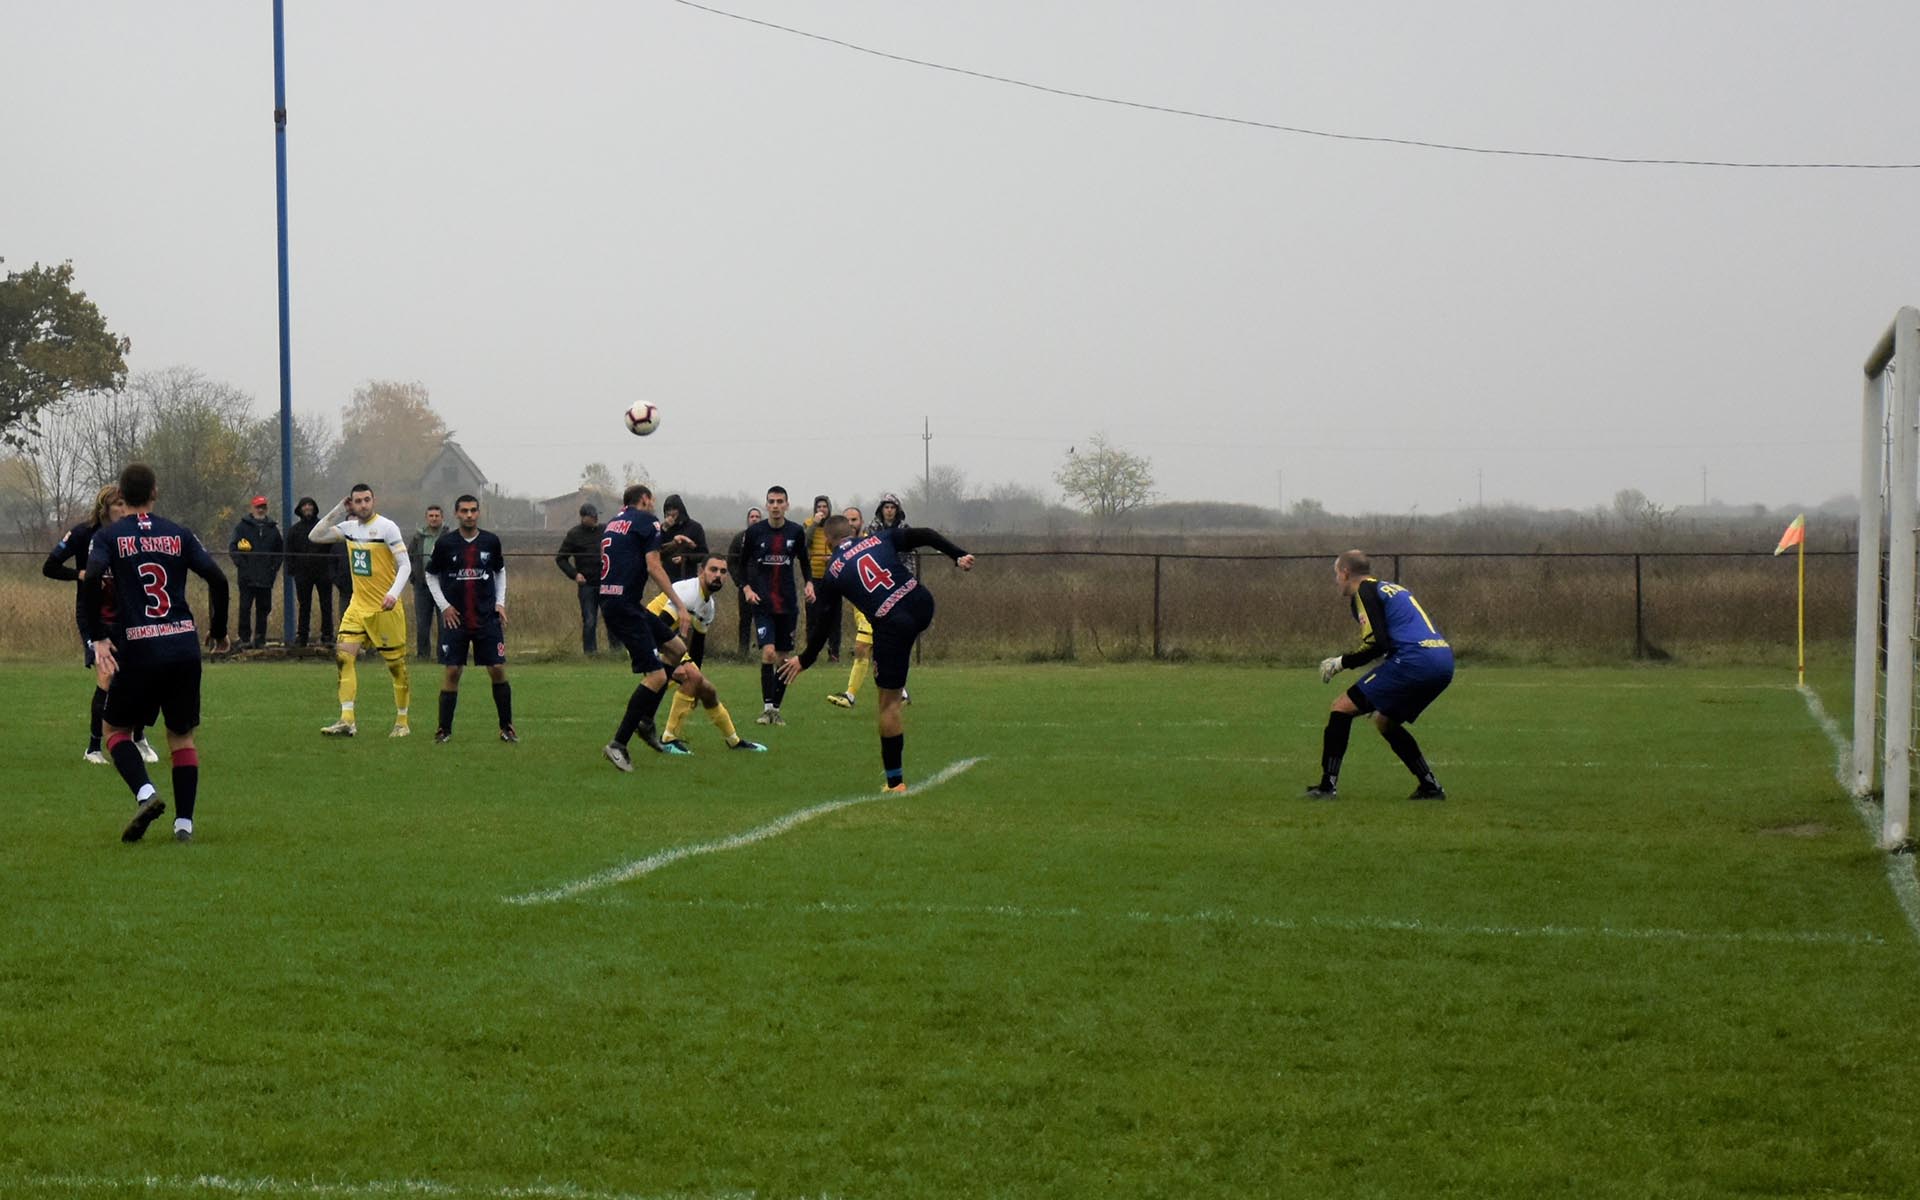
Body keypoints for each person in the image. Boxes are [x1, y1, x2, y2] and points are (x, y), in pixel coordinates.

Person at [82, 462, 231, 843]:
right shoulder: (179, 533)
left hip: (139, 647)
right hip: (182, 646)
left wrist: (98, 637)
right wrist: (218, 631)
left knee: (114, 730)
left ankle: (146, 793)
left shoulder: (109, 536)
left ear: (121, 494)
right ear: (154, 492)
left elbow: (92, 576)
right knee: (181, 737)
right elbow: (218, 579)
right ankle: (184, 825)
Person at [779, 513, 973, 791]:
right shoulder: (879, 538)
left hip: (893, 624)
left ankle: (895, 783)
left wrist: (805, 659)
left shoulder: (833, 571)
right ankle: (900, 676)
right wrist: (958, 554)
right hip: (921, 602)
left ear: (828, 541)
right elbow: (926, 533)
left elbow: (824, 624)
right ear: (852, 531)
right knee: (893, 652)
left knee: (888, 703)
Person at [1308, 550, 1454, 801]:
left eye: (1336, 574)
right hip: (1442, 660)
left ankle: (1327, 787)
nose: (1336, 581)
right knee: (1385, 721)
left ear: (1346, 573)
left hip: (1414, 660)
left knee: (1341, 707)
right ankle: (1430, 786)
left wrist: (1341, 662)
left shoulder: (1363, 592)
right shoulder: (1392, 588)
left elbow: (1377, 644)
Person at [43, 485, 156, 764]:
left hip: (127, 615)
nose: (123, 509)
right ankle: (93, 748)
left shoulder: (132, 534)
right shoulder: (83, 534)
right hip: (95, 616)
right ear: (104, 508)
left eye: (125, 503)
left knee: (138, 676)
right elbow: (50, 566)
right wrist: (81, 574)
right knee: (107, 677)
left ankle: (138, 737)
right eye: (118, 504)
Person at [598, 483, 692, 770]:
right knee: (656, 676)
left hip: (616, 601)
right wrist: (680, 605)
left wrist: (671, 545)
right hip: (624, 606)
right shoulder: (648, 521)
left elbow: (640, 552)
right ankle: (618, 744)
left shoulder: (615, 522)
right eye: (652, 501)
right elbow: (653, 566)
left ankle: (646, 721)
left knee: (676, 649)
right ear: (645, 499)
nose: (654, 506)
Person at [309, 483, 414, 737]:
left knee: (395, 666)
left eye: (367, 499)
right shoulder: (349, 529)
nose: (363, 504)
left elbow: (405, 565)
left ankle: (402, 722)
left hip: (384, 609)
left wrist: (393, 594)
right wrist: (338, 509)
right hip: (357, 607)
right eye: (358, 501)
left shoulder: (387, 527)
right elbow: (315, 535)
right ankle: (347, 720)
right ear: (352, 504)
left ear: (373, 501)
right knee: (343, 657)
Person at [649, 553, 766, 754]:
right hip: (647, 639)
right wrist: (656, 660)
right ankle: (668, 738)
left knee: (708, 690)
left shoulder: (708, 606)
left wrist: (696, 680)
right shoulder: (689, 592)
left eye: (723, 571)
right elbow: (660, 626)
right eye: (713, 570)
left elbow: (697, 647)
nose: (718, 575)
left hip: (663, 642)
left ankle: (734, 741)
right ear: (701, 572)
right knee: (691, 679)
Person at [425, 494, 515, 743]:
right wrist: (444, 606)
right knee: (453, 671)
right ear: (456, 514)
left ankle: (507, 728)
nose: (469, 515)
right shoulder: (446, 543)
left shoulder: (490, 541)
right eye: (464, 511)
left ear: (478, 513)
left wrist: (500, 603)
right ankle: (444, 730)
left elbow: (500, 571)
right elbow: (431, 575)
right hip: (456, 620)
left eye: (473, 510)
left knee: (497, 669)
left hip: (486, 617)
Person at [741, 487, 813, 725]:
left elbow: (804, 561)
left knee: (783, 659)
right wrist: (747, 588)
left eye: (779, 501)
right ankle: (766, 708)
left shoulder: (795, 531)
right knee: (769, 652)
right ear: (766, 505)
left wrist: (809, 583)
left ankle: (775, 710)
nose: (775, 506)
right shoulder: (755, 532)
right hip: (762, 603)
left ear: (786, 505)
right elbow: (741, 565)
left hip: (787, 604)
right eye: (771, 501)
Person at [825, 506, 871, 709]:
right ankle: (901, 692)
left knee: (861, 648)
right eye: (847, 520)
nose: (851, 524)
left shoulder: (869, 542)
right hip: (859, 608)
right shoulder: (841, 549)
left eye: (854, 520)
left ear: (861, 522)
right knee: (877, 652)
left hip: (873, 607)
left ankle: (850, 696)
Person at [228, 494, 283, 649]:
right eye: (258, 507)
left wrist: (273, 569)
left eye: (263, 507)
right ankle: (244, 639)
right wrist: (242, 565)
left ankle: (260, 639)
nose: (261, 510)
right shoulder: (242, 527)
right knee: (245, 608)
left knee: (263, 609)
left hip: (266, 577)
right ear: (252, 508)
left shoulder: (273, 529)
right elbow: (233, 548)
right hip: (247, 577)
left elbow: (279, 552)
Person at [555, 503, 605, 656]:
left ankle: (617, 653)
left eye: (596, 515)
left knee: (612, 619)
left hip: (606, 583)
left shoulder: (605, 530)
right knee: (589, 620)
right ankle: (590, 654)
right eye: (592, 516)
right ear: (583, 517)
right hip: (587, 585)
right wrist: (575, 574)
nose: (595, 519)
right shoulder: (574, 534)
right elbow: (561, 559)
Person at [285, 496, 335, 647]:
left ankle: (327, 635)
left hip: (323, 572)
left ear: (314, 508)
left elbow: (332, 549)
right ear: (300, 509)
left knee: (326, 605)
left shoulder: (323, 528)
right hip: (302, 574)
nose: (307, 508)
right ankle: (302, 636)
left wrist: (331, 570)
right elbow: (289, 552)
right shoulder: (294, 530)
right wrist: (292, 570)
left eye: (309, 505)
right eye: (304, 505)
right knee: (304, 605)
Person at [802, 493, 843, 665]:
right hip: (814, 578)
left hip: (832, 577)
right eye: (819, 507)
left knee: (834, 617)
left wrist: (832, 558)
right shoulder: (808, 523)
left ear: (829, 508)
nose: (822, 509)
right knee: (812, 617)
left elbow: (842, 547)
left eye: (824, 506)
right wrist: (815, 523)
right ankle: (811, 652)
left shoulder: (835, 526)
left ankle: (834, 653)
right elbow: (805, 543)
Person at [726, 506, 762, 659]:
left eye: (757, 516)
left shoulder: (767, 538)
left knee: (764, 619)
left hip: (764, 587)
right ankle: (743, 653)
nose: (754, 519)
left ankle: (765, 651)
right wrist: (739, 582)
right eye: (752, 516)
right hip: (745, 587)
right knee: (745, 620)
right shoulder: (739, 538)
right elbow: (731, 562)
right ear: (748, 520)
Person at [410, 503, 445, 660]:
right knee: (422, 624)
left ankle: (444, 655)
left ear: (442, 517)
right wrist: (414, 577)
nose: (434, 518)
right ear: (426, 518)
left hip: (443, 587)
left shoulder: (449, 536)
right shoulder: (418, 537)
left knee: (445, 624)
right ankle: (423, 656)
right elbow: (409, 558)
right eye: (431, 516)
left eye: (437, 516)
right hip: (422, 587)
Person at [659, 494, 708, 583]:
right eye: (668, 510)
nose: (670, 513)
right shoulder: (663, 529)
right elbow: (657, 551)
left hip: (688, 578)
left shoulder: (695, 527)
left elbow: (704, 553)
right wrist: (664, 529)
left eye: (674, 509)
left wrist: (685, 559)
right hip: (667, 579)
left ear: (680, 510)